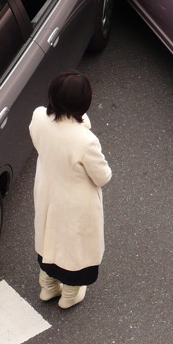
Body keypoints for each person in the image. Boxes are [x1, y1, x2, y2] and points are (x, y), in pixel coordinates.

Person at [29, 71, 112, 309]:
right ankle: (69, 295)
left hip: (47, 190)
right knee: (74, 248)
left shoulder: (38, 117)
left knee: (48, 239)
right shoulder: (86, 140)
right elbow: (103, 176)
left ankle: (48, 287)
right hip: (76, 203)